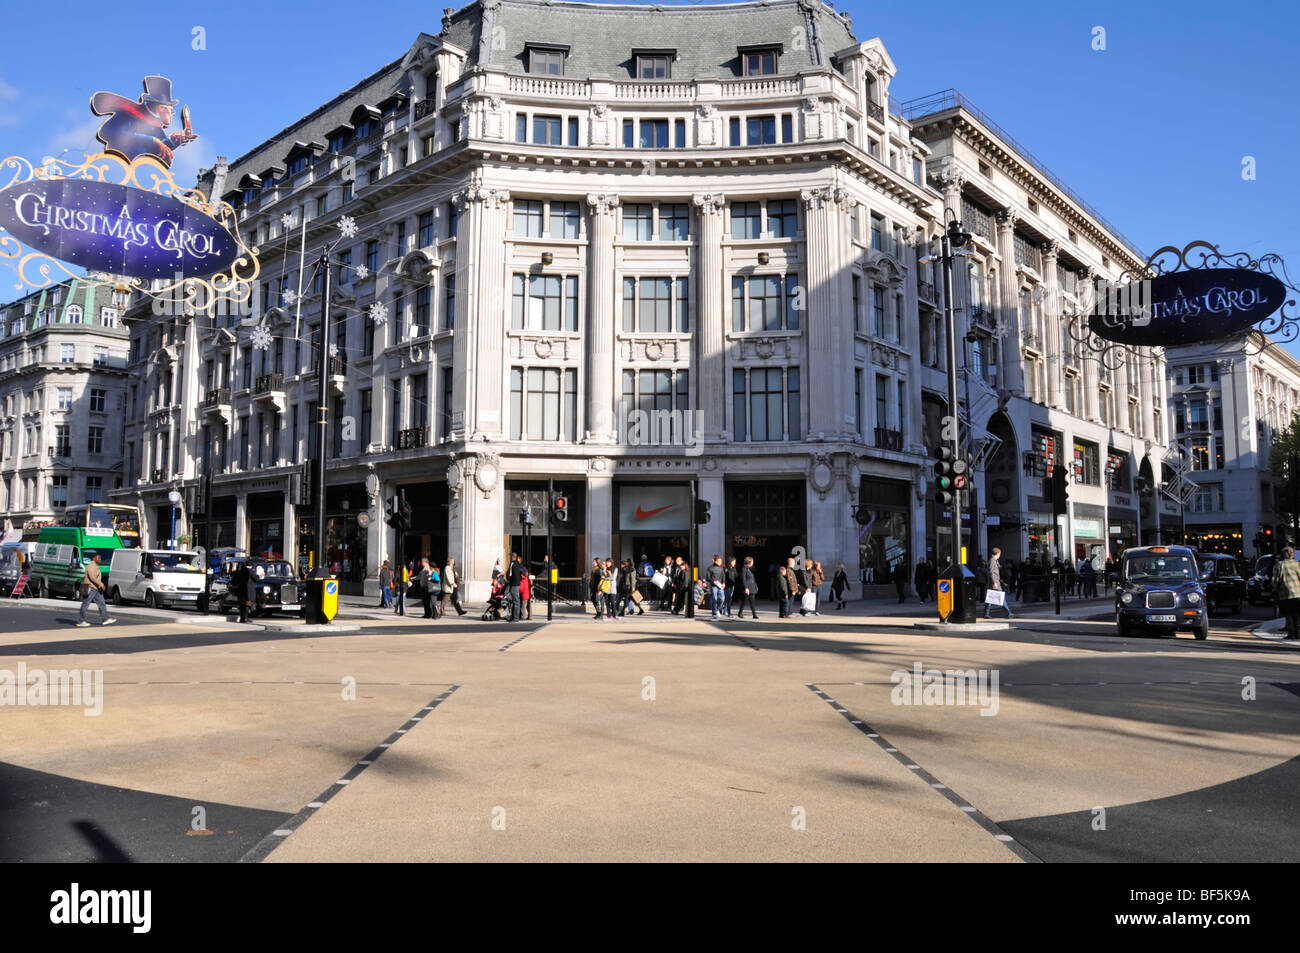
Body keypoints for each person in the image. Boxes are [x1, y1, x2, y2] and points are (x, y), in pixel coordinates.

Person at [75, 553, 117, 628]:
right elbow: (92, 577)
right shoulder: (91, 566)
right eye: (98, 558)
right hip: (91, 588)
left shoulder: (96, 566)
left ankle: (105, 619)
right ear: (94, 558)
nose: (99, 559)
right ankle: (81, 621)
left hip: (96, 588)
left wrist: (99, 586)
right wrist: (101, 584)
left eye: (100, 558)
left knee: (102, 603)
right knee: (86, 604)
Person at [1272, 546, 1300, 640]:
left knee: (1288, 614)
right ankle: (1298, 633)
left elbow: (1276, 580)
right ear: (1293, 554)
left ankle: (1291, 634)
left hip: (1285, 593)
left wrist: (1274, 590)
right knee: (1296, 614)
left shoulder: (1279, 565)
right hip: (1297, 593)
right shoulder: (1297, 564)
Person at [985, 546, 1012, 619]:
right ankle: (1008, 613)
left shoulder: (994, 560)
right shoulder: (992, 561)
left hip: (995, 581)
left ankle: (986, 613)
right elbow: (991, 572)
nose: (1000, 555)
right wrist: (994, 582)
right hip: (995, 582)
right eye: (1000, 553)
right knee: (1001, 598)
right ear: (998, 553)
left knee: (990, 598)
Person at [705, 555, 727, 620]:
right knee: (714, 599)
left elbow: (723, 576)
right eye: (719, 561)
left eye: (721, 561)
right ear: (715, 561)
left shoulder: (721, 568)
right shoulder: (710, 568)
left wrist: (724, 583)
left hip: (720, 586)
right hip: (714, 586)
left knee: (722, 599)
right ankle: (714, 613)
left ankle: (717, 609)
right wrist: (713, 581)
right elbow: (708, 577)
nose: (720, 562)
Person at [506, 552, 524, 622]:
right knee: (513, 601)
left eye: (510, 556)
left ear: (513, 557)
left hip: (514, 585)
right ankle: (513, 616)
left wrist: (511, 583)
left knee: (516, 601)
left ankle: (516, 617)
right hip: (514, 584)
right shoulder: (514, 564)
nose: (509, 558)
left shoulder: (514, 564)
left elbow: (514, 575)